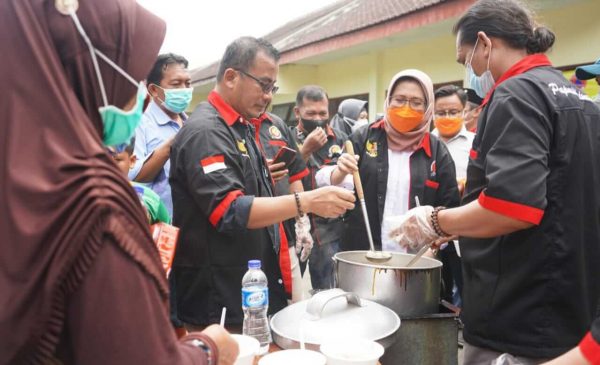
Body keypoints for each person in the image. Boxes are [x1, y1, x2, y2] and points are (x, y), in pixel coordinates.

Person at [0, 0, 239, 364]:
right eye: (136, 75)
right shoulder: (90, 200)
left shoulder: (22, 175)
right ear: (89, 70)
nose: (139, 91)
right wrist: (208, 349)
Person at [388, 0, 600, 363]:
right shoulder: (578, 98)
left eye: (463, 60)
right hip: (571, 306)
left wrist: (434, 221)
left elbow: (512, 208)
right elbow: (555, 196)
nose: (467, 71)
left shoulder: (515, 94)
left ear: (484, 44)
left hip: (518, 311)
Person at [169, 37, 355, 329]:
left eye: (273, 88)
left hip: (247, 287)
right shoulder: (206, 132)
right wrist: (305, 201)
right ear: (231, 77)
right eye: (264, 85)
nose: (269, 96)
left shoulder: (241, 126)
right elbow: (229, 209)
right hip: (219, 297)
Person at [318, 70, 460, 301]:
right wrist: (339, 171)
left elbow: (451, 207)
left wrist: (436, 241)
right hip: (363, 261)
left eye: (416, 103)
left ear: (427, 108)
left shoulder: (437, 151)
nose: (406, 108)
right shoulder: (364, 138)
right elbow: (335, 184)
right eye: (400, 100)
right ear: (388, 100)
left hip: (415, 266)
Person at [290, 86, 350, 290]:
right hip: (297, 228)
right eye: (311, 113)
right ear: (297, 112)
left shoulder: (340, 138)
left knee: (328, 290)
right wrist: (305, 149)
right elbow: (282, 177)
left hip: (331, 230)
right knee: (295, 290)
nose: (317, 118)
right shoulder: (287, 138)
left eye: (322, 113)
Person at [249, 110, 312, 302]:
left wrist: (302, 222)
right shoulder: (227, 127)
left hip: (284, 232)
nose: (266, 95)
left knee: (293, 301)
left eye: (271, 88)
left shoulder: (276, 124)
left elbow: (295, 175)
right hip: (251, 231)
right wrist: (259, 171)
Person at [130, 53, 193, 217]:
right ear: (153, 90)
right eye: (176, 84)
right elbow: (134, 178)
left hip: (195, 227)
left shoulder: (192, 123)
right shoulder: (139, 123)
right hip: (161, 227)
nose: (184, 90)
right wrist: (173, 144)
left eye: (187, 83)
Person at [110, 139, 171, 225]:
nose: (107, 166)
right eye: (101, 158)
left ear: (132, 161)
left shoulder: (151, 200)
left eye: (117, 160)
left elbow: (167, 233)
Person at [432, 85, 475, 191]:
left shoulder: (476, 143)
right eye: (441, 113)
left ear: (464, 112)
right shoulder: (423, 143)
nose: (447, 117)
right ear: (433, 114)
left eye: (453, 112)